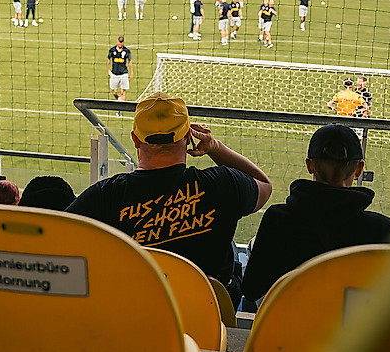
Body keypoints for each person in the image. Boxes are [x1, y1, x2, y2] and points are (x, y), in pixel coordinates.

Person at [66, 92, 273, 298]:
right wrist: (215, 147)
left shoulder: (104, 196)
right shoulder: (223, 184)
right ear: (189, 136)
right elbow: (264, 185)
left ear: (135, 140)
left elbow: (58, 242)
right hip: (209, 314)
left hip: (135, 310)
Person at [240, 124, 390, 304]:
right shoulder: (382, 229)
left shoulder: (277, 219)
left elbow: (251, 290)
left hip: (291, 320)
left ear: (310, 165)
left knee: (252, 246)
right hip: (352, 322)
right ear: (359, 169)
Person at [107, 36, 133, 107]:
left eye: (121, 42)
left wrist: (131, 72)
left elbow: (130, 62)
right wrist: (108, 70)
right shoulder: (112, 50)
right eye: (119, 42)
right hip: (114, 74)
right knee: (114, 92)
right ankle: (119, 99)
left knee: (122, 92)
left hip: (123, 73)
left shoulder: (126, 51)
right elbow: (108, 60)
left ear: (123, 42)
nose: (120, 44)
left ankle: (120, 108)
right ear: (117, 41)